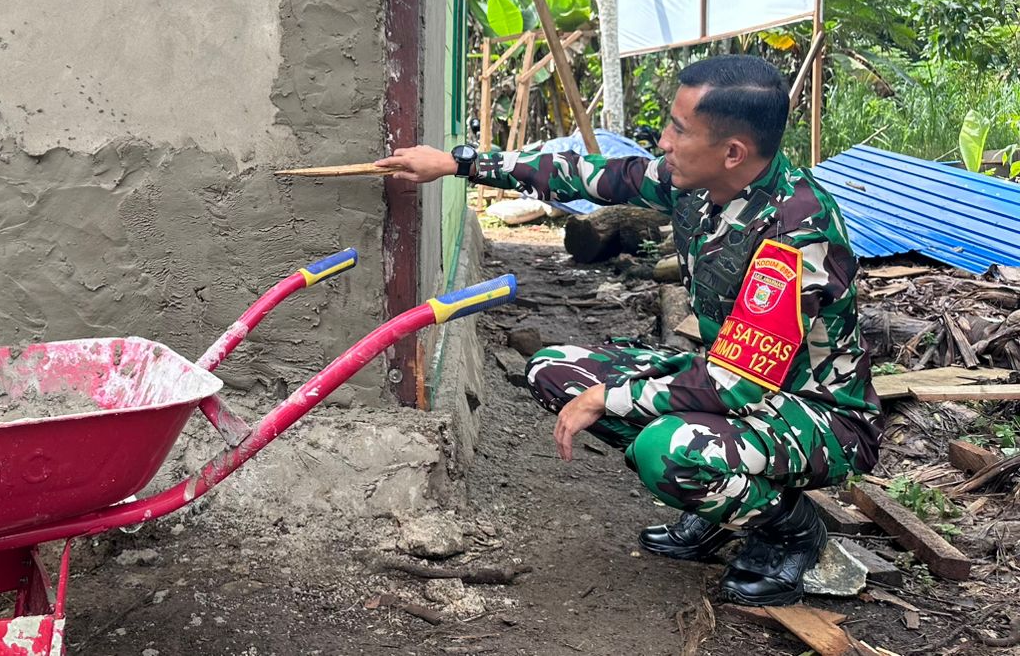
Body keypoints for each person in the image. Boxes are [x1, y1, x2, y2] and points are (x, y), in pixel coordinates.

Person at [376, 55, 880, 606]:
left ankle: (789, 530)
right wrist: (460, 162)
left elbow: (737, 385)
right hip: (728, 380)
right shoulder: (698, 184)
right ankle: (718, 502)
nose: (664, 142)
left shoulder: (795, 233)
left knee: (665, 451)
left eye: (679, 130)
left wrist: (610, 397)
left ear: (733, 152)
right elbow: (596, 175)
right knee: (555, 371)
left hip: (816, 414)